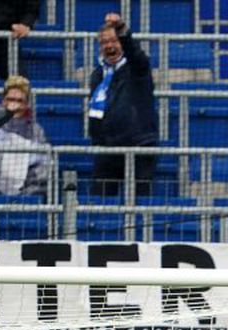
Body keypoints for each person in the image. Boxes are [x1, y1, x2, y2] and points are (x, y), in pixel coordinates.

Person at [88, 12, 157, 197]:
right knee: (100, 207)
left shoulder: (137, 68)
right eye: (104, 42)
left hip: (139, 146)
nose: (109, 46)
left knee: (140, 205)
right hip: (107, 148)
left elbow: (135, 54)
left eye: (114, 40)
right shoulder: (98, 74)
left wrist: (122, 31)